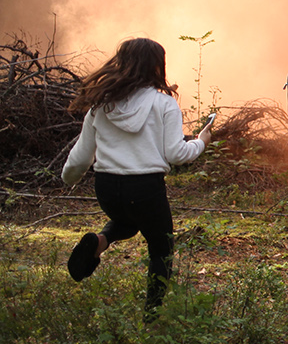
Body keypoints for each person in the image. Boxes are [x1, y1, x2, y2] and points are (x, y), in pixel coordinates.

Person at [60, 38, 212, 316]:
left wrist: (67, 180)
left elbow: (81, 157)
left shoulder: (101, 105)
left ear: (123, 63)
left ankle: (98, 242)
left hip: (106, 188)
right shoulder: (164, 104)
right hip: (145, 188)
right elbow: (176, 154)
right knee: (161, 248)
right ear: (157, 67)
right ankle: (152, 315)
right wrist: (201, 141)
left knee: (126, 221)